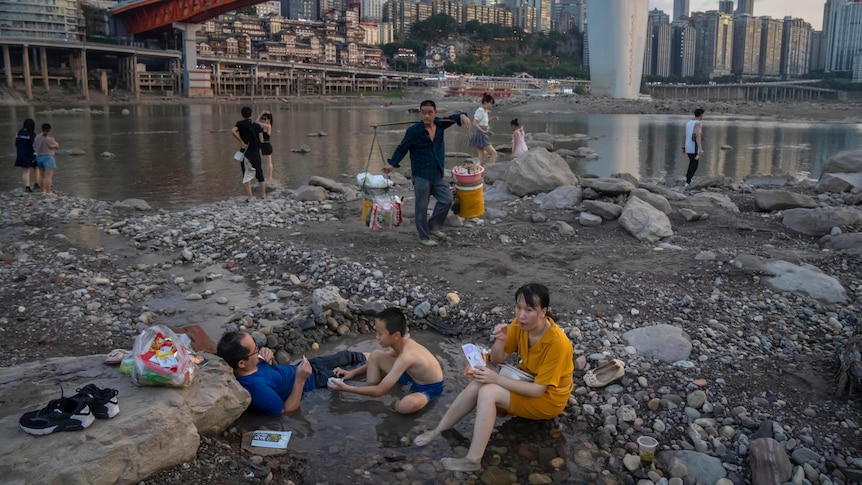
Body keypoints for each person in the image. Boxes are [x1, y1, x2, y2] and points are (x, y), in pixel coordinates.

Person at [413, 283, 574, 472]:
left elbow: (539, 390)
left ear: (543, 312)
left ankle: (473, 460)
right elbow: (497, 360)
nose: (521, 315)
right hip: (526, 380)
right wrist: (501, 339)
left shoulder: (558, 343)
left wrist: (495, 379)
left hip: (548, 399)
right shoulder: (520, 324)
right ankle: (439, 430)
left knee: (489, 391)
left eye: (529, 310)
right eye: (518, 307)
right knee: (479, 383)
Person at [216, 331, 368, 416]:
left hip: (305, 367)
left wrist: (265, 353)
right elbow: (286, 412)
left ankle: (385, 356)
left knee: (347, 356)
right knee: (358, 374)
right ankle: (384, 368)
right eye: (255, 349)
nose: (258, 349)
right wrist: (300, 380)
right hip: (315, 381)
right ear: (241, 363)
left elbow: (267, 367)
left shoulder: (251, 363)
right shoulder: (258, 389)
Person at [382, 100, 470, 247]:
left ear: (435, 113)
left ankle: (433, 226)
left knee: (447, 199)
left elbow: (455, 117)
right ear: (420, 113)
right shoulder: (414, 131)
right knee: (422, 206)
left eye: (430, 113)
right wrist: (392, 164)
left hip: (437, 172)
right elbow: (402, 148)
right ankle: (423, 236)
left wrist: (462, 116)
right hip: (421, 173)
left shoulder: (441, 124)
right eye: (424, 113)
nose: (427, 116)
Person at [328, 308, 444, 414]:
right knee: (375, 355)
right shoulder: (401, 343)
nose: (376, 337)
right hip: (410, 374)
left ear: (396, 335)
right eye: (376, 332)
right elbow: (386, 360)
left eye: (380, 334)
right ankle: (371, 390)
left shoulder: (407, 356)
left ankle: (392, 404)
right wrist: (352, 373)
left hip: (429, 387)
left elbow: (380, 391)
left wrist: (346, 388)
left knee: (406, 406)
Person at [231, 106, 266, 201]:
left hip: (245, 152)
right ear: (251, 114)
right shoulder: (257, 126)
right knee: (259, 173)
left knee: (246, 174)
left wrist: (241, 141)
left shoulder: (240, 124)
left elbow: (233, 131)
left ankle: (250, 196)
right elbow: (261, 140)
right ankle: (263, 195)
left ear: (242, 114)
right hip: (255, 152)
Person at [469, 93, 498, 165]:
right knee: (493, 153)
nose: (491, 105)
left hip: (481, 134)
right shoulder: (480, 111)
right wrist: (483, 132)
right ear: (485, 102)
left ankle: (480, 172)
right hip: (481, 134)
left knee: (482, 156)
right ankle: (491, 169)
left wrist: (493, 118)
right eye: (490, 103)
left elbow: (485, 123)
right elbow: (475, 123)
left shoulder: (485, 111)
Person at [14, 118, 39, 195]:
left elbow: (16, 144)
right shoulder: (31, 133)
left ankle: (27, 187)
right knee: (36, 168)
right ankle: (36, 184)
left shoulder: (18, 133)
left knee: (25, 171)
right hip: (30, 154)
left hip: (21, 154)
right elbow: (34, 145)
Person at [33, 123, 59, 194]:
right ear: (49, 130)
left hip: (39, 157)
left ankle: (42, 191)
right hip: (48, 157)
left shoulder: (37, 137)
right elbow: (56, 146)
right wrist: (56, 144)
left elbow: (34, 146)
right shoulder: (50, 139)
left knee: (42, 176)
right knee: (48, 176)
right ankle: (48, 192)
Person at [682, 108, 705, 188]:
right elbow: (697, 136)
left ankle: (687, 177)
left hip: (688, 146)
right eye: (703, 115)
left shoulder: (689, 122)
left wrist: (684, 147)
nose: (703, 116)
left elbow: (685, 135)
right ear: (701, 115)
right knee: (694, 165)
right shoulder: (698, 123)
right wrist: (700, 149)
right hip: (693, 147)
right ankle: (688, 182)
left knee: (691, 163)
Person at [257, 111, 274, 181]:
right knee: (262, 162)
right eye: (263, 119)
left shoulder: (268, 126)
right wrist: (262, 113)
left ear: (269, 120)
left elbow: (257, 123)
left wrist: (261, 115)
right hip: (262, 145)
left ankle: (269, 177)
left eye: (265, 119)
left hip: (267, 145)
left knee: (269, 162)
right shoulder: (263, 126)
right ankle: (265, 176)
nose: (263, 120)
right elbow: (256, 122)